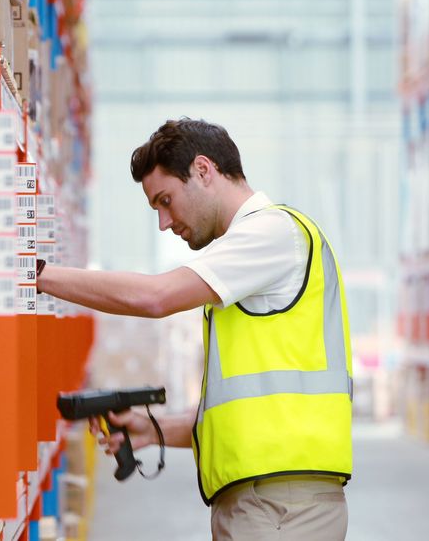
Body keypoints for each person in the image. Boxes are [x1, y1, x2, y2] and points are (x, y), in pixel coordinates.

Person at [37, 118, 354, 540]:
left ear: (204, 170)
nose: (165, 223)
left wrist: (36, 274)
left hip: (280, 505)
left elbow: (155, 296)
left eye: (165, 201)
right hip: (270, 501)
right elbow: (246, 412)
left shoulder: (273, 233)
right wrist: (155, 429)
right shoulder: (245, 259)